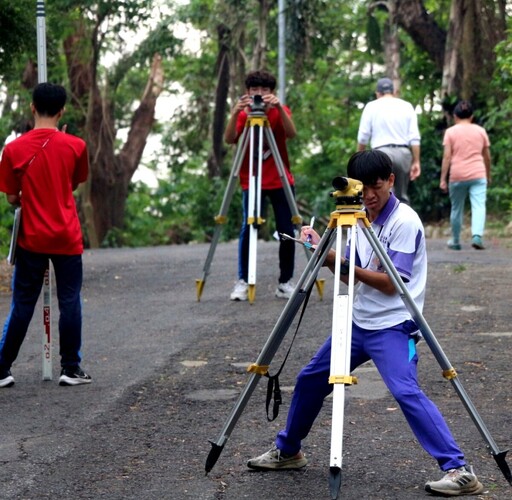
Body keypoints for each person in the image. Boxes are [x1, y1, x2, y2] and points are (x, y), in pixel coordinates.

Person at [247, 150, 484, 497]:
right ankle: (288, 450)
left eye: (376, 186)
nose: (370, 195)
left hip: (395, 325)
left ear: (391, 180)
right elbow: (352, 278)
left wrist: (333, 258)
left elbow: (390, 283)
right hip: (358, 322)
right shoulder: (359, 218)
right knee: (310, 380)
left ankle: (458, 469)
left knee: (405, 390)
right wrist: (323, 254)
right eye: (364, 188)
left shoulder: (405, 221)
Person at [0, 82, 92, 388]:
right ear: (62, 110)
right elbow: (74, 184)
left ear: (32, 108)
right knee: (70, 300)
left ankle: (2, 368)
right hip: (66, 235)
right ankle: (71, 368)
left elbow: (12, 198)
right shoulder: (76, 146)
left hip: (32, 238)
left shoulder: (13, 150)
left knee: (23, 303)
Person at [224, 70, 297, 301]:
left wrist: (277, 109)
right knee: (249, 228)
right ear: (247, 92)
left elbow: (291, 133)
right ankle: (243, 280)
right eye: (254, 90)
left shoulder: (279, 110)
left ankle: (285, 281)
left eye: (264, 91)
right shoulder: (243, 114)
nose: (259, 95)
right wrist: (236, 112)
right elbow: (229, 139)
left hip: (279, 178)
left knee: (287, 230)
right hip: (252, 179)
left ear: (271, 93)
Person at [357, 77, 421, 205]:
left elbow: (363, 137)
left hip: (381, 154)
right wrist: (416, 161)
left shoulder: (371, 107)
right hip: (403, 153)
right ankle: (405, 224)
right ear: (394, 91)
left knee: (381, 195)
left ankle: (382, 225)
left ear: (377, 93)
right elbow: (414, 137)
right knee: (402, 196)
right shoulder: (406, 106)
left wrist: (359, 161)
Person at [440, 100, 491, 250]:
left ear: (455, 116)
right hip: (478, 173)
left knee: (456, 208)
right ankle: (477, 235)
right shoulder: (480, 131)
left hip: (457, 175)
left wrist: (443, 179)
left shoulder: (450, 132)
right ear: (472, 116)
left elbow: (447, 157)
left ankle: (455, 241)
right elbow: (487, 156)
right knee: (479, 205)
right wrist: (488, 175)